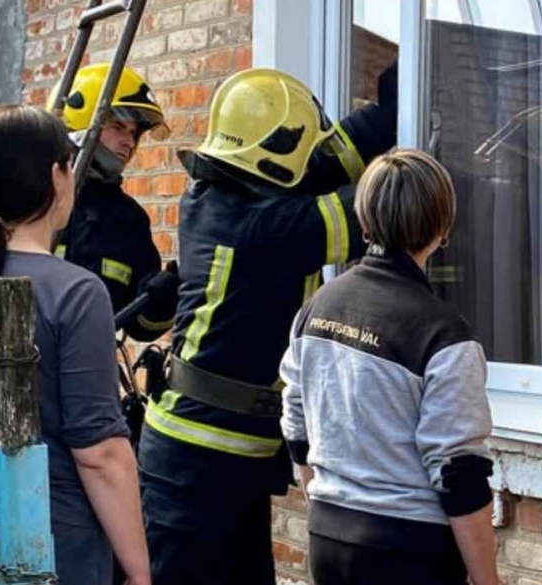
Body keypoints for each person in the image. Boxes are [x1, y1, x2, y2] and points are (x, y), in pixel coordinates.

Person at [136, 64, 397, 585]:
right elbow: (373, 208)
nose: (308, 163)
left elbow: (324, 159)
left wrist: (395, 100)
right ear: (268, 156)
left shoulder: (221, 194)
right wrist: (418, 167)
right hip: (195, 464)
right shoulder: (262, 226)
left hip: (224, 454)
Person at [0, 105, 150, 585]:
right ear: (58, 177)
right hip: (48, 550)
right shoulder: (75, 292)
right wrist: (140, 571)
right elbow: (99, 453)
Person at [279, 149, 498, 585]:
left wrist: (327, 505)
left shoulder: (316, 308)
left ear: (364, 222)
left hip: (328, 537)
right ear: (442, 228)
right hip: (410, 551)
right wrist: (487, 579)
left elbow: (295, 428)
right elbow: (459, 474)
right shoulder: (445, 335)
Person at [0, 63, 178, 343]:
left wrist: (160, 302)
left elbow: (142, 329)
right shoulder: (3, 185)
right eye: (118, 127)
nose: (128, 142)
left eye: (134, 133)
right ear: (78, 123)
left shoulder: (127, 220)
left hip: (76, 365)